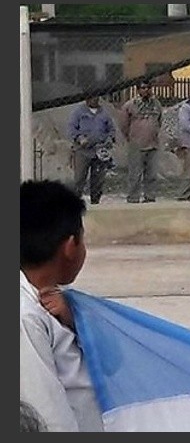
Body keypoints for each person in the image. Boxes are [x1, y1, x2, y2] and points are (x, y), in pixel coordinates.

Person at [20, 180, 104, 432]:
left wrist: (75, 319)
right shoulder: (26, 317)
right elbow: (46, 416)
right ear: (70, 246)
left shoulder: (62, 303)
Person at [66, 95, 117, 205]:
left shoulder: (104, 113)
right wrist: (79, 138)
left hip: (99, 151)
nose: (95, 100)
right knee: (79, 178)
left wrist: (109, 139)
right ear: (87, 99)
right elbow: (71, 128)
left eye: (96, 98)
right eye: (92, 97)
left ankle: (95, 202)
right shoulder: (78, 112)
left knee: (98, 179)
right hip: (82, 151)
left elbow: (111, 129)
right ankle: (74, 203)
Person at [120, 79, 163, 204]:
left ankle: (150, 197)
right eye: (143, 88)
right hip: (136, 145)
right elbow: (123, 124)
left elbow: (159, 120)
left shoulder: (156, 104)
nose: (146, 90)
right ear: (138, 90)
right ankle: (133, 198)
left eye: (148, 88)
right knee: (135, 174)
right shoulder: (130, 105)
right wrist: (130, 137)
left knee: (152, 174)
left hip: (153, 144)